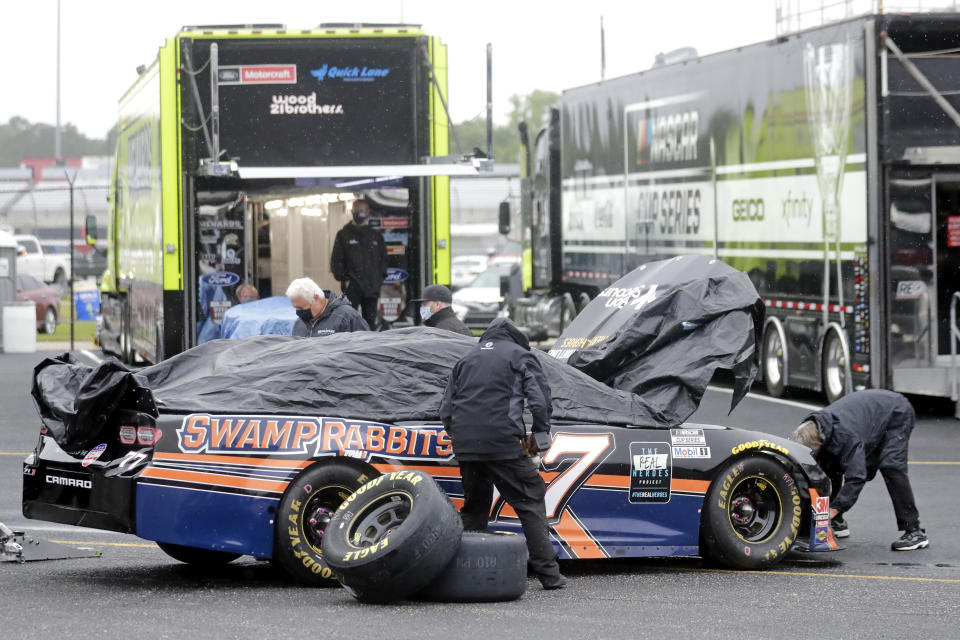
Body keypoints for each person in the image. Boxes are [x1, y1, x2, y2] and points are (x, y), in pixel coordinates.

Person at [439, 318, 566, 589]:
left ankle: (463, 572)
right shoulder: (520, 355)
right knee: (530, 500)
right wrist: (540, 435)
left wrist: (463, 437)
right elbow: (539, 399)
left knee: (474, 509)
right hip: (502, 442)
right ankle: (549, 574)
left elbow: (446, 409)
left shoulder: (467, 358)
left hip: (466, 444)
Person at [790, 389, 928, 551]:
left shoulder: (846, 437)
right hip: (866, 415)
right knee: (828, 467)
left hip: (895, 412)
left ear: (819, 443)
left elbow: (857, 477)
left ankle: (914, 531)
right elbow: (816, 475)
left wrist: (834, 508)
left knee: (891, 467)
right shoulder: (808, 428)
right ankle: (837, 522)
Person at [330, 198, 387, 329]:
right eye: (357, 210)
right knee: (350, 322)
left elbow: (384, 260)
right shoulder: (344, 234)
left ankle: (369, 347)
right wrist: (344, 280)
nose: (360, 213)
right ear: (352, 211)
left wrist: (378, 280)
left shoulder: (375, 235)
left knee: (369, 324)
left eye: (362, 210)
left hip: (372, 288)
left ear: (368, 212)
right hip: (352, 288)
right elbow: (336, 261)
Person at [286, 277, 369, 337]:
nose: (299, 313)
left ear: (316, 298)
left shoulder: (347, 318)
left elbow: (366, 350)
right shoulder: (300, 323)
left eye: (301, 308)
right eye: (296, 308)